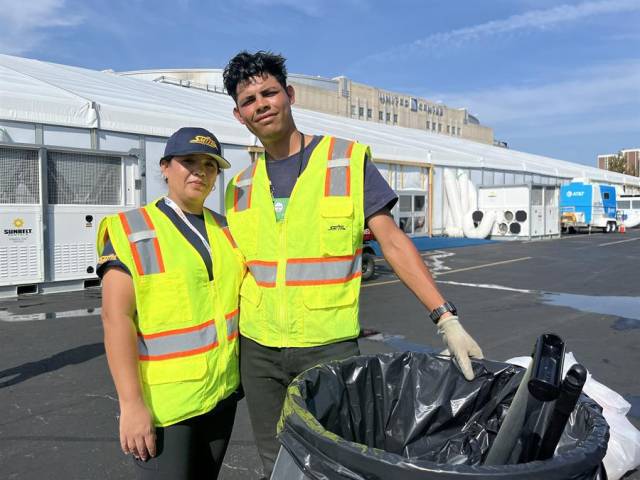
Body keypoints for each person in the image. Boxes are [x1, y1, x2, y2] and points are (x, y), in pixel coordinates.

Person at [222, 51, 484, 476]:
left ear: (289, 95)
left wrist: (445, 317)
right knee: (275, 460)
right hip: (259, 352)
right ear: (239, 115)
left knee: (338, 457)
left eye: (269, 92)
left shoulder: (344, 160)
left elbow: (394, 242)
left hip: (328, 347)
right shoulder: (240, 186)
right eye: (249, 100)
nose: (261, 105)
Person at [96, 127, 244, 479]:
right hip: (166, 408)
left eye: (210, 165)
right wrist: (131, 405)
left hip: (221, 398)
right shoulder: (132, 230)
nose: (200, 171)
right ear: (165, 167)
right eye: (188, 161)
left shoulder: (228, 230)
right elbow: (116, 319)